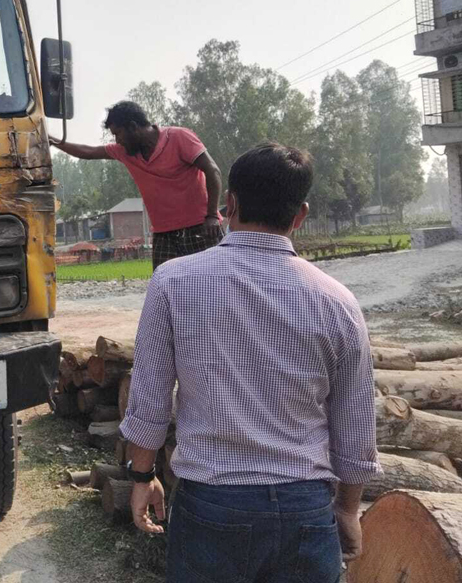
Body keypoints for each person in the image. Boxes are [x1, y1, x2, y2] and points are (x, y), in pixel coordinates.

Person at [120, 143, 380, 583]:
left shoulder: (173, 282)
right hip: (307, 511)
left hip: (212, 507)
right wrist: (348, 509)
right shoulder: (339, 302)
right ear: (300, 214)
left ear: (230, 203)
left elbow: (149, 402)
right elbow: (355, 427)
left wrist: (141, 477)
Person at [50, 101, 223, 269]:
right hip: (164, 234)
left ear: (133, 127)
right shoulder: (126, 153)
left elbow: (212, 171)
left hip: (201, 227)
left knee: (213, 285)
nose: (117, 141)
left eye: (118, 133)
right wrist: (52, 140)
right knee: (164, 288)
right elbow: (88, 152)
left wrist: (212, 217)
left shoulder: (179, 137)